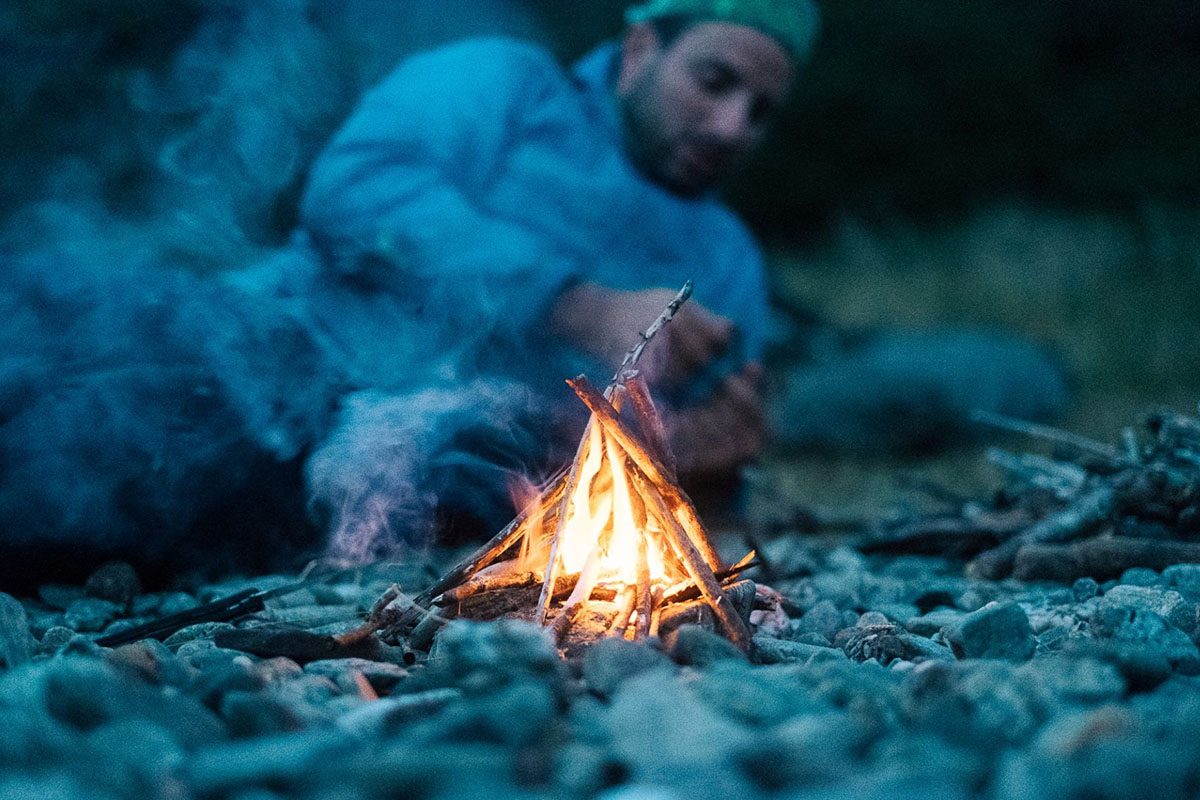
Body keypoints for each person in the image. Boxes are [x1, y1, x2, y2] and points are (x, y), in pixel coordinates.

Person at [297, 0, 1067, 551]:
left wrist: (694, 459)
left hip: (436, 492)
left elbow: (677, 481)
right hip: (287, 370)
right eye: (713, 81)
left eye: (762, 111)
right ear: (639, 50)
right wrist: (578, 304)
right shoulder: (502, 86)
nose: (735, 128)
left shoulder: (725, 261)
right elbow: (354, 192)